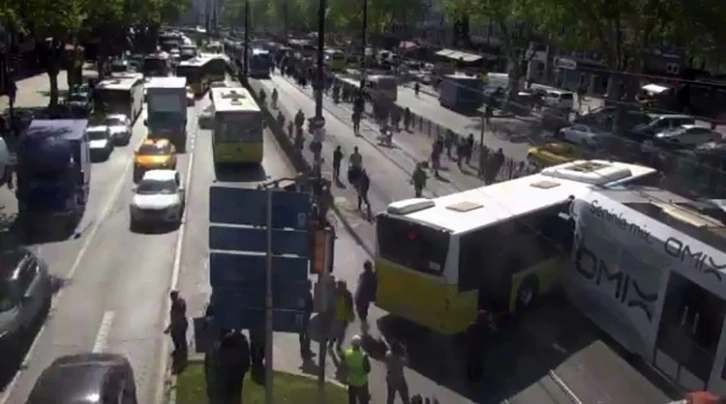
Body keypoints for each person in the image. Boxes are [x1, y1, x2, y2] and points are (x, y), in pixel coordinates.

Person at [465, 310, 496, 384]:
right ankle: (477, 379)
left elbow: (467, 332)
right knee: (480, 365)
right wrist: (491, 322)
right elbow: (494, 332)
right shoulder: (487, 327)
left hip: (472, 348)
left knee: (471, 362)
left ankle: (470, 378)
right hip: (481, 350)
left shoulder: (472, 325)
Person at [343, 335, 371, 404]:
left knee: (352, 401)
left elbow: (345, 366)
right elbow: (368, 369)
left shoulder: (347, 353)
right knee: (364, 402)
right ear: (360, 344)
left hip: (352, 382)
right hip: (362, 383)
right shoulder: (363, 355)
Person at [329, 280, 354, 352]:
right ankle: (334, 345)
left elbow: (350, 306)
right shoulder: (336, 293)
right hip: (337, 318)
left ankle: (336, 345)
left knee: (339, 333)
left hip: (342, 318)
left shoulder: (346, 295)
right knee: (336, 333)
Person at [164, 290, 188, 362]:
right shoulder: (181, 301)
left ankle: (180, 353)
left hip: (178, 325)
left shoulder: (175, 305)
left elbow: (175, 318)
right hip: (183, 323)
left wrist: (169, 328)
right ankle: (183, 352)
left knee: (176, 337)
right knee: (182, 338)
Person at [385, 340, 410, 404]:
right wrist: (405, 350)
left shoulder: (387, 355)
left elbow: (390, 351)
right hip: (399, 380)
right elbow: (407, 362)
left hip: (390, 379)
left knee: (390, 397)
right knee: (405, 397)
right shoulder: (399, 360)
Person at [300, 280, 314, 359]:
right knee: (308, 334)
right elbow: (310, 306)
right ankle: (306, 350)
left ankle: (303, 349)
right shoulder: (308, 294)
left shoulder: (302, 294)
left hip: (302, 316)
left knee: (302, 334)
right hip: (306, 316)